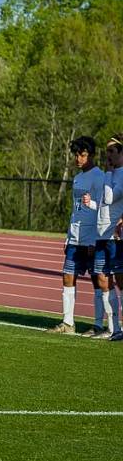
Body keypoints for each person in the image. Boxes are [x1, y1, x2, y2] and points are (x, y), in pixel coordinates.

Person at [48, 136, 102, 335]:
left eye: (83, 155)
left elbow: (101, 211)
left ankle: (97, 324)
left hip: (92, 238)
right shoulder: (78, 178)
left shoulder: (99, 177)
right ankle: (68, 323)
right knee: (67, 277)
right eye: (77, 155)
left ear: (92, 155)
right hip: (75, 238)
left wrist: (95, 239)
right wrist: (67, 236)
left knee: (98, 281)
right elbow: (75, 209)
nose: (79, 159)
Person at [98, 135, 123, 340]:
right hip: (102, 235)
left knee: (120, 283)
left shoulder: (119, 174)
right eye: (107, 152)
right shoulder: (112, 174)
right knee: (104, 280)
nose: (108, 156)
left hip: (115, 237)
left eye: (112, 152)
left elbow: (108, 198)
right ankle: (113, 328)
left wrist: (107, 173)